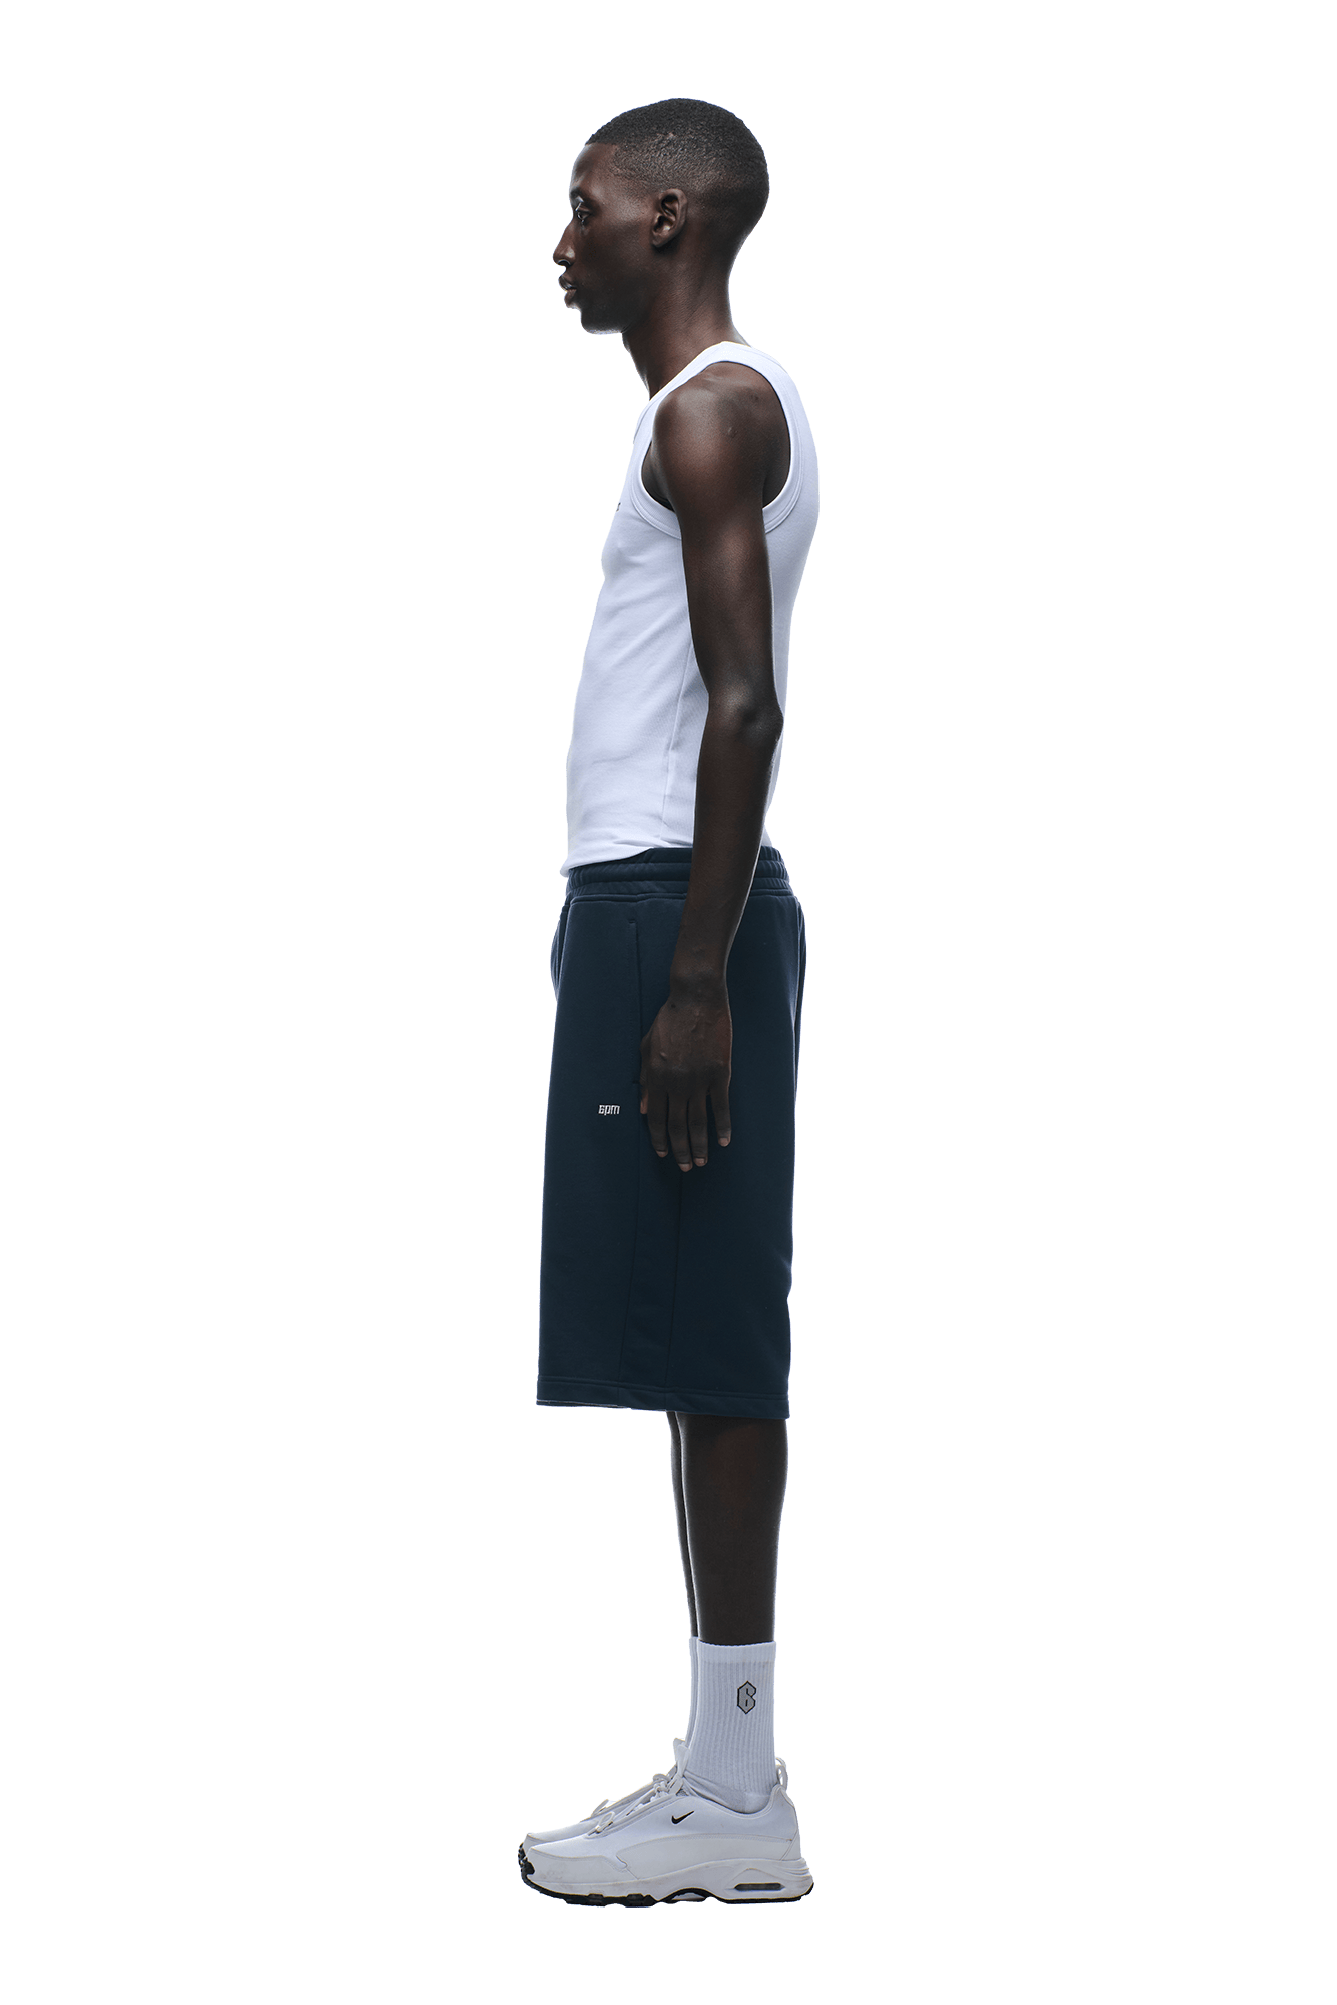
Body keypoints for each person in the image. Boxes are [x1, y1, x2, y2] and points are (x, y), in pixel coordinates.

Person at [518, 99, 820, 1908]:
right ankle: (724, 1777)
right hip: (657, 903)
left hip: (675, 909)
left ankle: (737, 1796)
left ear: (672, 217)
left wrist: (693, 975)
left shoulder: (714, 409)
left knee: (714, 1339)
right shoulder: (704, 412)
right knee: (697, 1334)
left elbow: (745, 703)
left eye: (587, 208)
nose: (564, 242)